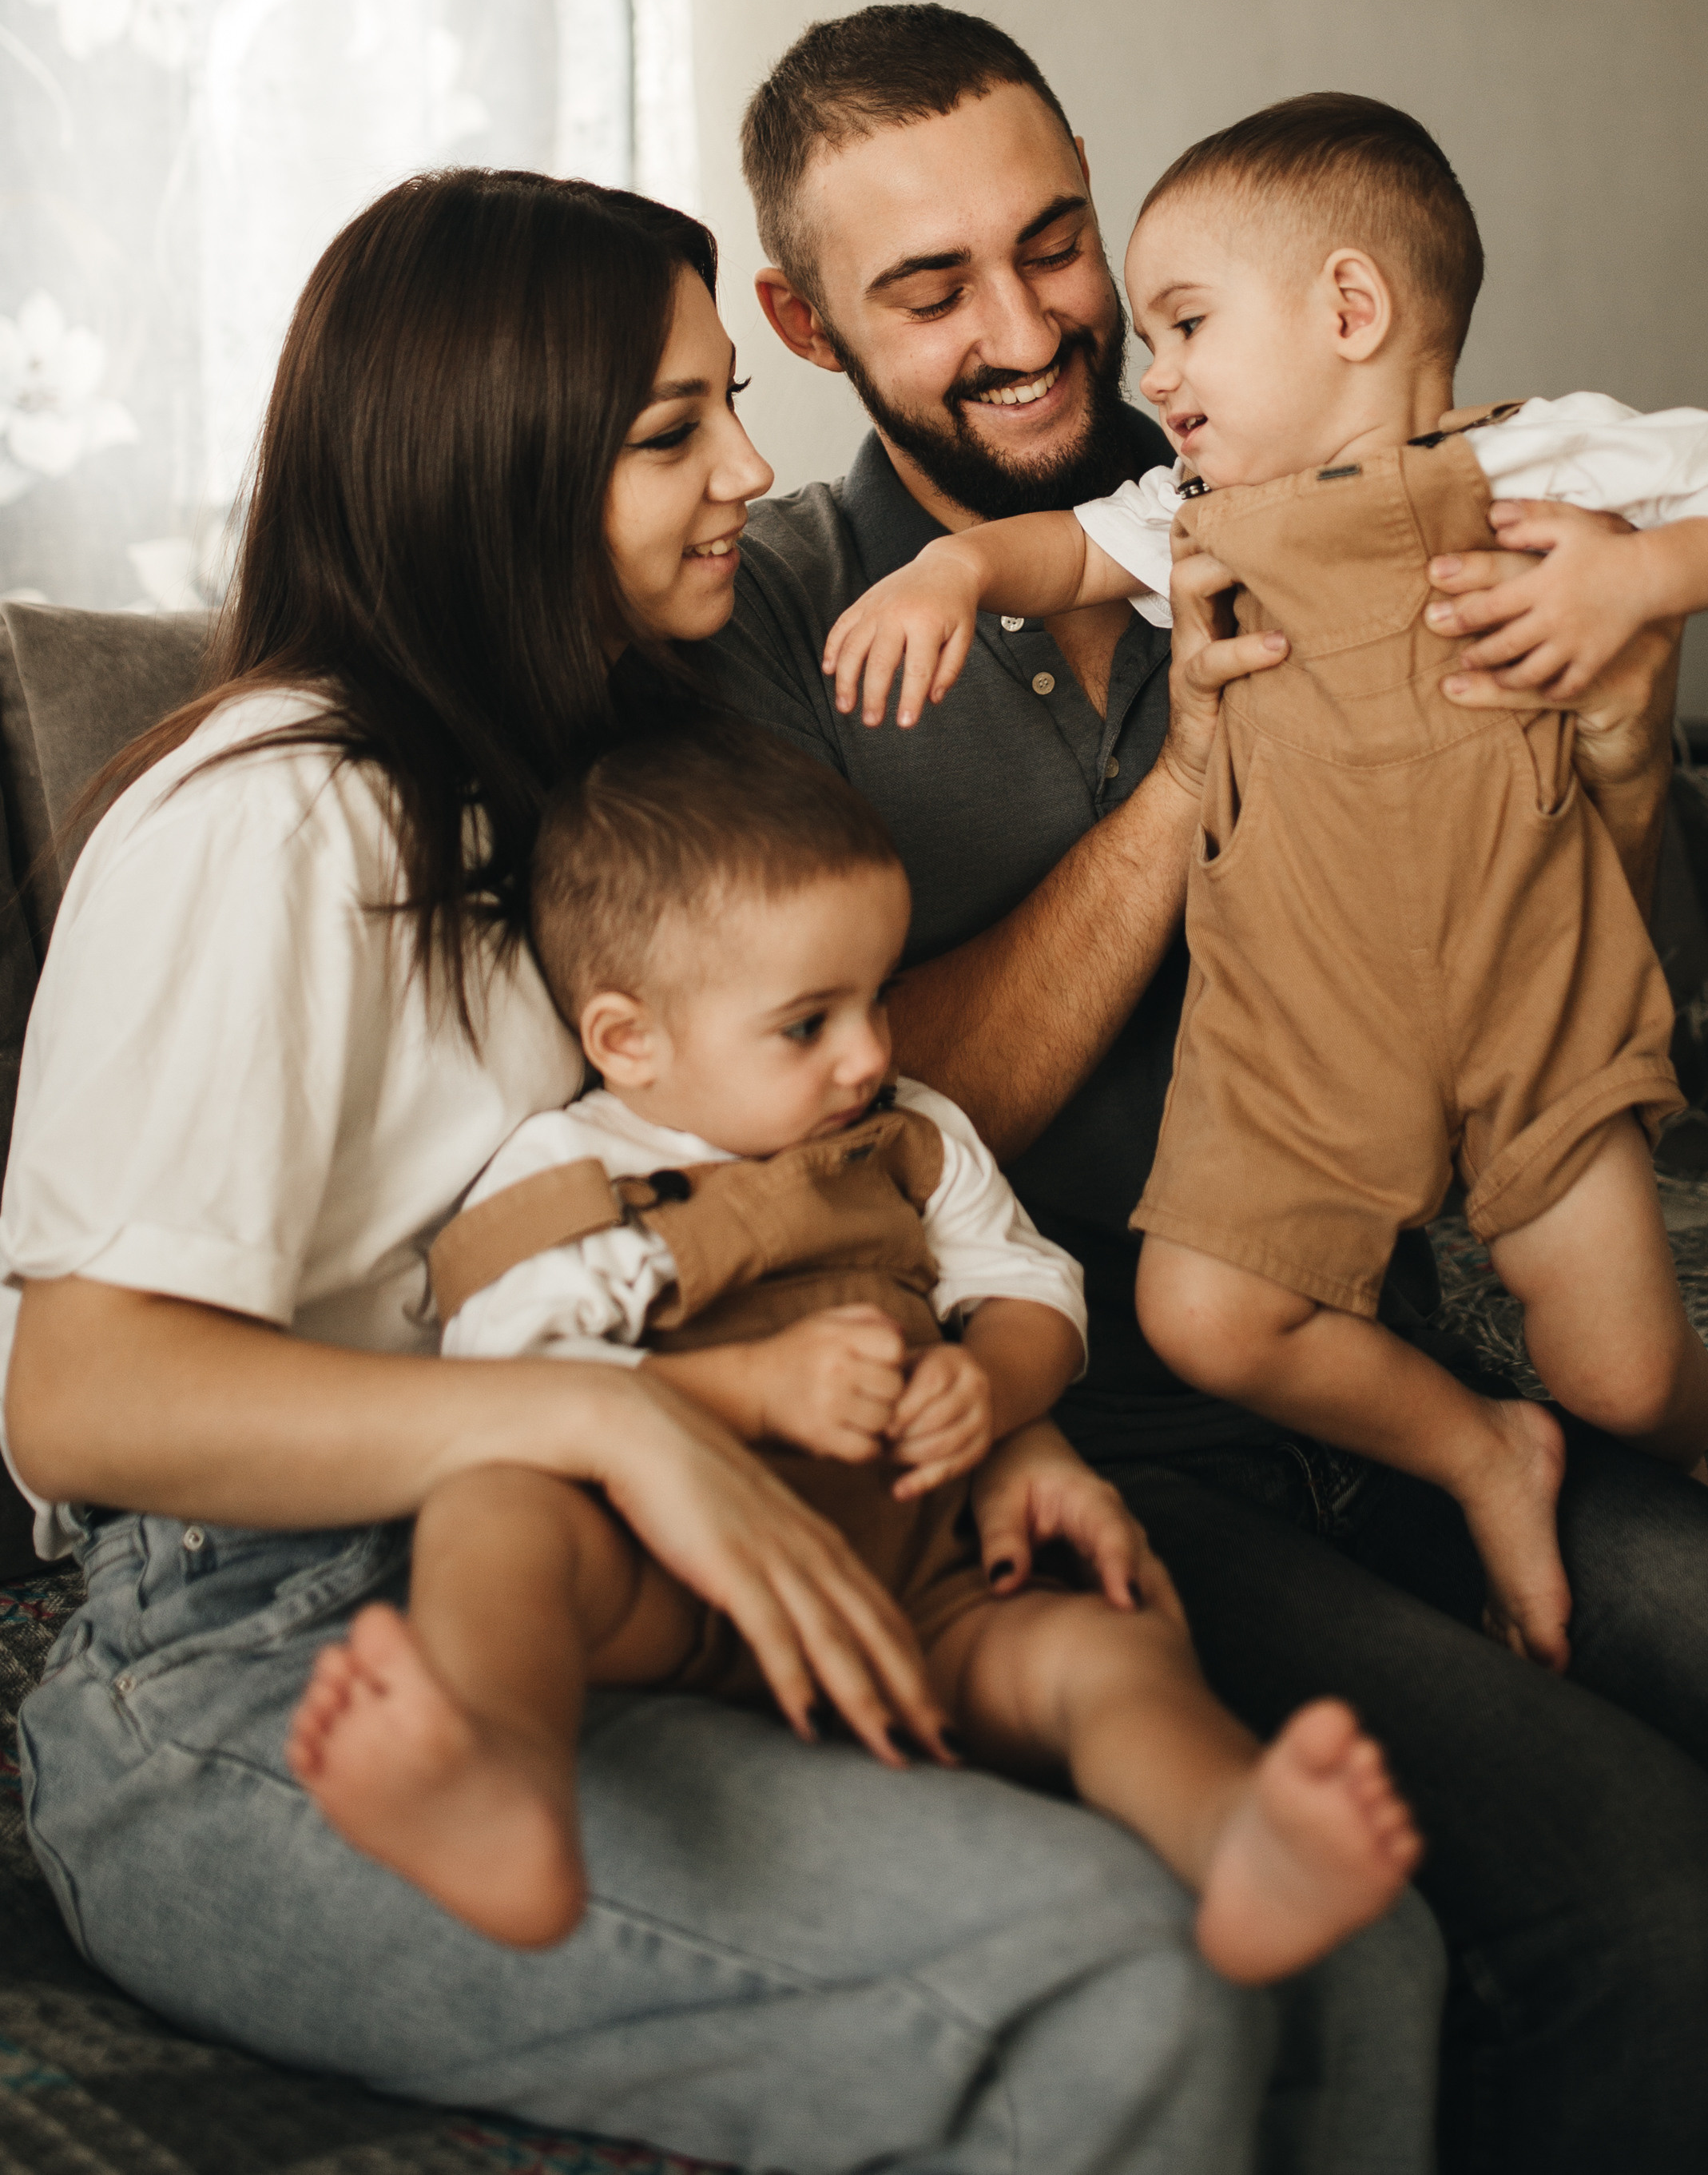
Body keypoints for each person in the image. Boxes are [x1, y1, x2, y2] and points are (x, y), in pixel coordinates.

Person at [0, 168, 1443, 2175]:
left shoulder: (590, 814)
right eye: (676, 429)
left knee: (1355, 1952)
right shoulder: (276, 818)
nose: (755, 467)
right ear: (490, 470)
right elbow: (80, 1394)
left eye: (732, 404)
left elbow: (812, 1184)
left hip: (632, 1552)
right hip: (265, 1656)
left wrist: (981, 1407)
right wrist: (621, 1427)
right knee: (1103, 1960)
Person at [697, 1, 1708, 2175]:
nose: (1045, 331)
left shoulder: (1274, 472)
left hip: (1401, 1326)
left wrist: (1614, 735)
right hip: (1095, 1421)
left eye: (1057, 244)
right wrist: (1180, 791)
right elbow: (831, 1113)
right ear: (798, 316)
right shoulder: (778, 614)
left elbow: (1592, 985)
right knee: (1638, 1895)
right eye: (930, 287)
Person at [819, 90, 1708, 1671]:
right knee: (1209, 1311)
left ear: (1352, 310)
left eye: (1181, 324)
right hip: (1310, 1044)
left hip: (1538, 1019)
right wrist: (955, 566)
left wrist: (1641, 580)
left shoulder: (1545, 458)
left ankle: (1659, 1461)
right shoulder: (1193, 516)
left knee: (1628, 1383)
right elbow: (1064, 553)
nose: (1149, 375)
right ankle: (1470, 1446)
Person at [287, 718, 1422, 1982]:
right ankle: (496, 1764)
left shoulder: (911, 1138)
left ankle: (1233, 1835)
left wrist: (988, 1385)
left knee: (1107, 1651)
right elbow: (506, 1382)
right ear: (627, 1041)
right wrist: (745, 1388)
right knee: (496, 1508)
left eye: (876, 996)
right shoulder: (576, 1174)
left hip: (919, 1585)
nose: (872, 1052)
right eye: (806, 1023)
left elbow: (1032, 1292)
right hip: (665, 1596)